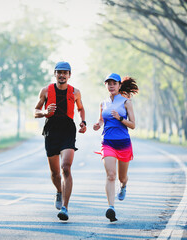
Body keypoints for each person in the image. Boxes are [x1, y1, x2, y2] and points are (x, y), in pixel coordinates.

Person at [34, 61, 87, 221]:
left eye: (65, 72)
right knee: (55, 173)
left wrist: (83, 122)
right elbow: (36, 111)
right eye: (59, 72)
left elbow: (80, 108)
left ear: (70, 75)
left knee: (66, 168)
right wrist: (44, 113)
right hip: (51, 131)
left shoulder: (75, 92)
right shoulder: (46, 91)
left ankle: (65, 207)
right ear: (55, 74)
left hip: (67, 131)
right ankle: (59, 191)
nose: (62, 75)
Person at [93, 73, 138, 222]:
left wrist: (120, 118)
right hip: (108, 142)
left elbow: (132, 125)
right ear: (105, 85)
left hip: (123, 143)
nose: (111, 85)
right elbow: (101, 120)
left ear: (119, 85)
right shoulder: (103, 103)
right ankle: (111, 207)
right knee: (111, 175)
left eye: (114, 83)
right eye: (108, 83)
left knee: (122, 177)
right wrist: (97, 125)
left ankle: (124, 185)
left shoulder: (126, 103)